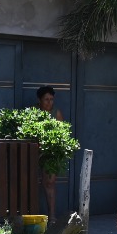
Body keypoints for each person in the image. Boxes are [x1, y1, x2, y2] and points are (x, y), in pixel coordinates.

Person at [34, 85, 64, 221]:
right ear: (39, 100)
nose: (49, 103)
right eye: (46, 100)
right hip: (34, 153)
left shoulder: (56, 113)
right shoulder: (33, 113)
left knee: (50, 183)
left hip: (51, 154)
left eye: (51, 99)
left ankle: (52, 216)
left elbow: (62, 135)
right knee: (31, 182)